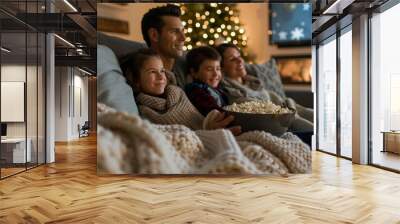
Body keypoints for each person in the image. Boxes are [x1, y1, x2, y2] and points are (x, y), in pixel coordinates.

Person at [123, 48, 241, 134]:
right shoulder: (144, 110)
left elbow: (197, 118)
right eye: (152, 72)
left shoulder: (177, 91)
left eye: (162, 71)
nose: (161, 77)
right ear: (136, 80)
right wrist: (208, 129)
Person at [216, 43, 313, 132]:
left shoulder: (253, 81)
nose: (240, 60)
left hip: (290, 105)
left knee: (315, 114)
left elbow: (275, 98)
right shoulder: (231, 92)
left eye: (239, 56)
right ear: (222, 67)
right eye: (232, 59)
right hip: (283, 117)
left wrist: (290, 105)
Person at [140, 4, 187, 88]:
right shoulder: (140, 74)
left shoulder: (187, 67)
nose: (183, 38)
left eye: (183, 31)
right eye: (174, 31)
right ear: (154, 35)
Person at [184, 46, 230, 116]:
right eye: (209, 69)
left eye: (218, 69)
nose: (215, 74)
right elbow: (212, 110)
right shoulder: (195, 90)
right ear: (194, 73)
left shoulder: (219, 89)